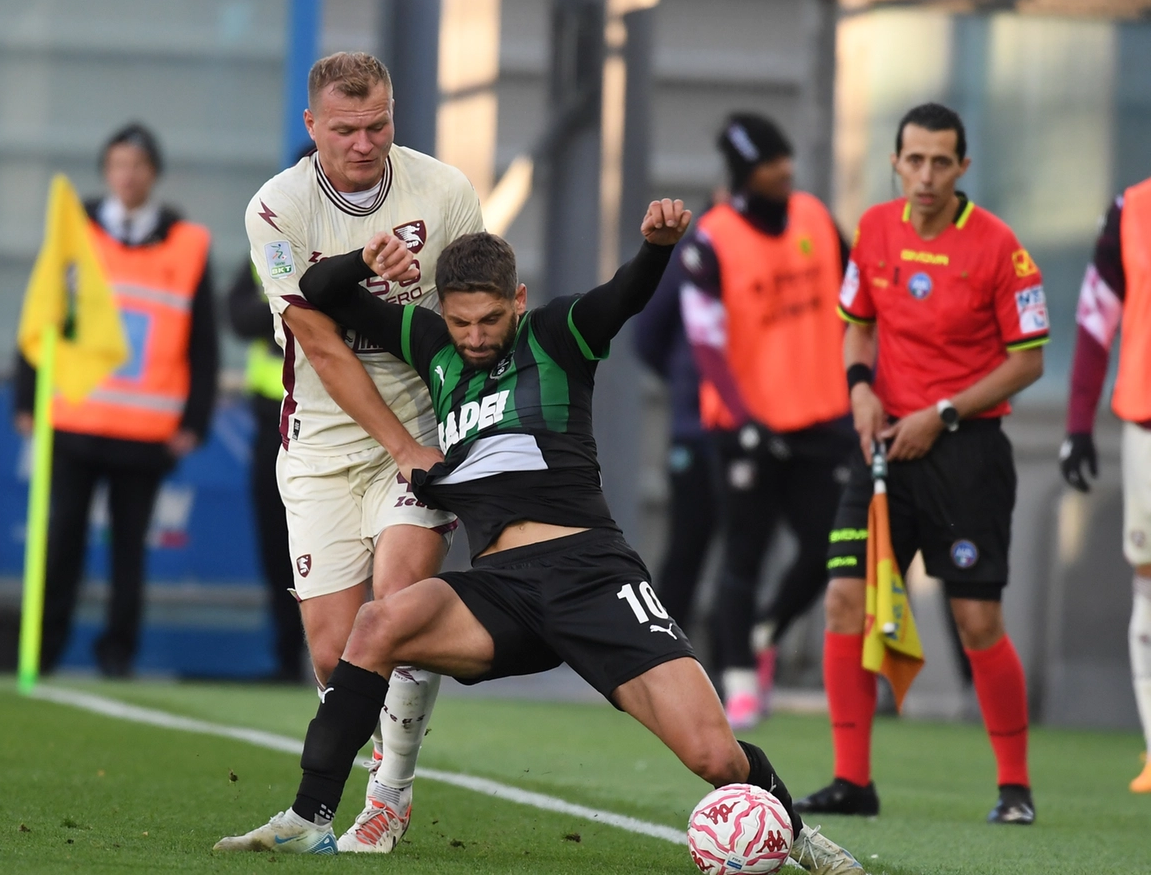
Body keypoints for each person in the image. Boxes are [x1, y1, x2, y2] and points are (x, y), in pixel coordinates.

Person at [215, 205, 864, 874]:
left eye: (490, 320)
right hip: (501, 590)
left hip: (593, 575)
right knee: (378, 624)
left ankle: (798, 836)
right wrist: (366, 260)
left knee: (714, 756)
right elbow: (322, 294)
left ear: (517, 302)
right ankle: (310, 816)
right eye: (461, 320)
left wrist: (656, 249)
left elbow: (624, 296)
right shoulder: (432, 344)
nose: (473, 336)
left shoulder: (557, 334)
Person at [242, 51, 485, 852]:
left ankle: (389, 794)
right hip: (321, 442)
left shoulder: (443, 193)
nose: (363, 141)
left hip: (420, 434)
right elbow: (319, 339)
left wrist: (437, 435)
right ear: (311, 125)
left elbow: (481, 316)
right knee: (333, 649)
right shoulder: (276, 209)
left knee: (398, 609)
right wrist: (397, 441)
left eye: (377, 123)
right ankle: (345, 787)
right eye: (344, 128)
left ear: (394, 112)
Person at [804, 103, 1046, 824]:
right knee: (846, 599)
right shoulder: (875, 230)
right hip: (882, 447)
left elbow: (1028, 360)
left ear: (962, 169)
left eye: (942, 162)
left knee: (976, 619)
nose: (927, 175)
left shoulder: (1001, 247)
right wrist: (860, 392)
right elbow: (856, 329)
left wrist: (941, 415)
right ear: (896, 163)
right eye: (915, 159)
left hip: (965, 450)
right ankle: (853, 781)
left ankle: (1015, 788)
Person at [12, 122, 218, 677]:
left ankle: (118, 654)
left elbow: (204, 342)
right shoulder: (73, 231)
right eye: (119, 165)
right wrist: (26, 399)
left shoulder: (187, 244)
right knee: (62, 543)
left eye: (139, 166)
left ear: (154, 174)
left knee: (130, 552)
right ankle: (44, 648)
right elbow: (40, 316)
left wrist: (194, 420)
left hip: (146, 430)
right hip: (74, 418)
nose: (128, 176)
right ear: (106, 171)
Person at [678, 114, 855, 729]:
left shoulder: (815, 218)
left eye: (785, 159)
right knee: (743, 554)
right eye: (770, 163)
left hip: (824, 414)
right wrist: (746, 416)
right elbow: (705, 343)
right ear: (746, 172)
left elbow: (861, 303)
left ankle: (766, 631)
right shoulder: (711, 240)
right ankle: (740, 681)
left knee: (831, 548)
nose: (785, 171)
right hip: (745, 426)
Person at [1059, 176, 1151, 792]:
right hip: (1145, 423)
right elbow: (1096, 319)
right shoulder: (1131, 208)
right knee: (1147, 578)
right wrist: (1077, 425)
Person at [633, 192, 723, 634]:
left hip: (760, 430)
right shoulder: (693, 253)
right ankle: (666, 653)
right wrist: (689, 381)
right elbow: (647, 335)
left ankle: (736, 669)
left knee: (744, 554)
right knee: (687, 547)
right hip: (697, 429)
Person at [227, 258, 306, 683]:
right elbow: (237, 315)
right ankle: (287, 655)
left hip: (331, 415)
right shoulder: (267, 247)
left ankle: (345, 657)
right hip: (270, 418)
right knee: (277, 545)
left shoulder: (348, 240)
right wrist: (287, 306)